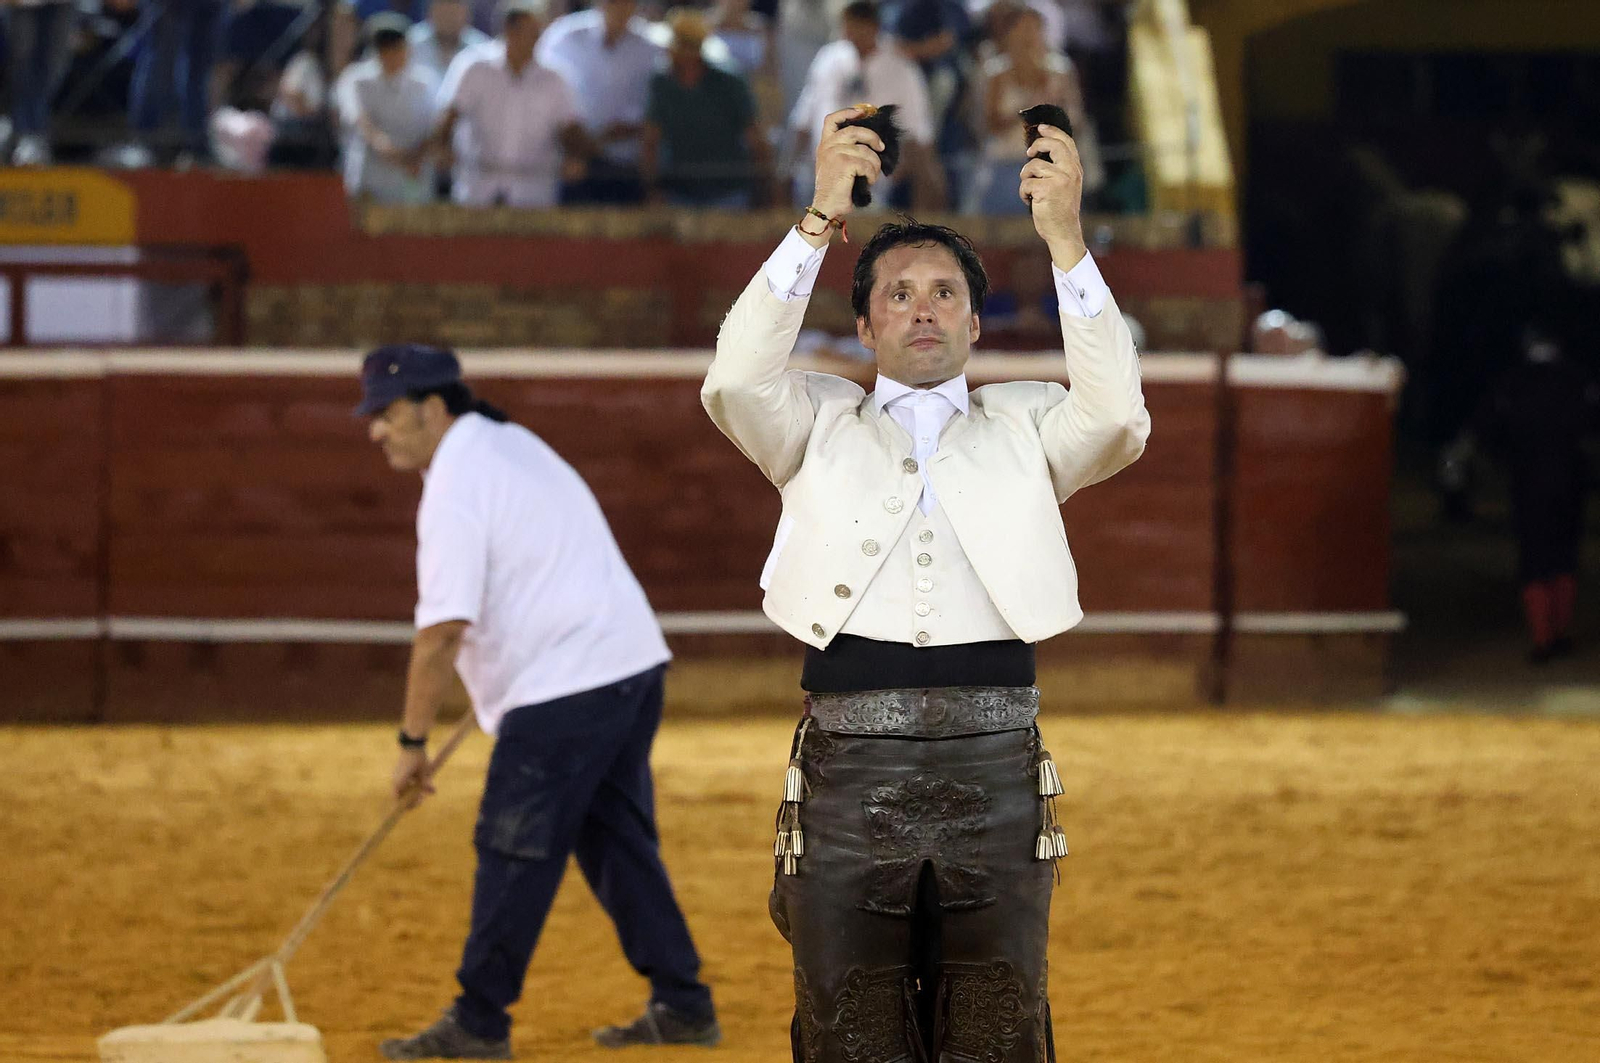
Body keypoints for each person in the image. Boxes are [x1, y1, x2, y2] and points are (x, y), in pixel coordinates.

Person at [700, 105, 1148, 1061]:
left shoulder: (1029, 424)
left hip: (997, 763)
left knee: (995, 1026)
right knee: (849, 1027)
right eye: (899, 294)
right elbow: (735, 379)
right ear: (863, 325)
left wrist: (1065, 239)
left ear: (977, 323)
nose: (924, 308)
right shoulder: (812, 421)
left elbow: (1117, 417)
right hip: (847, 770)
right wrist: (820, 214)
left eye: (946, 292)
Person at [356, 345, 721, 1060]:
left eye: (387, 414)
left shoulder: (458, 480)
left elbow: (440, 633)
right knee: (615, 841)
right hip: (626, 665)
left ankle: (479, 1020)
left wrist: (411, 742)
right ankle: (683, 1002)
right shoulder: (507, 442)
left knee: (514, 845)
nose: (376, 430)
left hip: (569, 684)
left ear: (432, 409)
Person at [1482, 324, 1598, 663]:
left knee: (1534, 558)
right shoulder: (1578, 379)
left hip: (1527, 481)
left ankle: (1542, 638)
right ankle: (1559, 631)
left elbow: (1490, 427)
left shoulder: (1511, 382)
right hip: (1570, 479)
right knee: (1564, 555)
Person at [432, 0, 592, 207]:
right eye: (529, 33)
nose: (535, 40)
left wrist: (575, 156)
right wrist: (442, 148)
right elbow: (449, 115)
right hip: (478, 189)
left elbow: (571, 128)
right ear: (509, 31)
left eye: (537, 33)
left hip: (534, 192)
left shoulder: (555, 78)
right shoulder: (474, 67)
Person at [787, 1, 944, 209]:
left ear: (875, 25)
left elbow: (919, 136)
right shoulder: (828, 59)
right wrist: (787, 169)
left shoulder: (901, 68)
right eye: (850, 24)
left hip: (874, 184)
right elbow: (804, 120)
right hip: (820, 176)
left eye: (862, 24)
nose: (854, 32)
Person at [642, 8, 772, 208]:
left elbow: (755, 138)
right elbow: (651, 139)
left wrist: (764, 191)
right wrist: (652, 190)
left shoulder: (729, 81)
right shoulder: (661, 83)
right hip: (678, 192)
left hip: (728, 192)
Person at [536, 0, 660, 204]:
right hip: (572, 164)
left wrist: (626, 129)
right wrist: (573, 143)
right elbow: (539, 90)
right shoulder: (564, 37)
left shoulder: (652, 48)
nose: (620, 7)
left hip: (626, 165)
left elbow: (655, 110)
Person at [335, 14, 440, 202]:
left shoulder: (426, 83)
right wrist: (386, 148)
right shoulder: (356, 79)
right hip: (371, 180)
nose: (393, 54)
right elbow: (358, 119)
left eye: (398, 47)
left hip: (414, 178)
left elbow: (437, 124)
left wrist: (417, 155)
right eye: (386, 48)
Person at [4, 0, 76, 165]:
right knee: (23, 66)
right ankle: (26, 133)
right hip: (22, 4)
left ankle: (35, 134)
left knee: (55, 65)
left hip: (62, 4)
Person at [407, 0, 490, 82]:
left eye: (453, 14)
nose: (448, 19)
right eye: (443, 13)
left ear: (467, 15)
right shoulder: (410, 43)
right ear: (430, 12)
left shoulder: (483, 50)